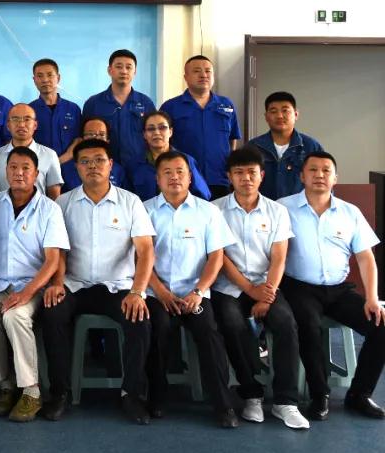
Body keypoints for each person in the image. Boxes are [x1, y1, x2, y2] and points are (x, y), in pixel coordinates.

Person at [39, 138, 155, 424]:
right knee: (52, 312)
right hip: (75, 285)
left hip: (117, 287)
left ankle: (131, 394)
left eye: (99, 160)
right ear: (76, 168)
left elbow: (145, 251)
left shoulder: (130, 202)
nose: (93, 166)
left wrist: (138, 292)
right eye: (85, 162)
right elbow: (58, 250)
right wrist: (57, 283)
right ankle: (60, 393)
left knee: (140, 318)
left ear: (111, 164)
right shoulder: (63, 203)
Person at [279, 151, 385, 420]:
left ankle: (359, 394)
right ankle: (319, 395)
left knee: (381, 326)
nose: (320, 175)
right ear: (302, 176)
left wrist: (372, 298)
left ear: (335, 178)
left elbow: (366, 258)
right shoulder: (283, 208)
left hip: (339, 289)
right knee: (308, 326)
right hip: (299, 287)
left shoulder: (350, 212)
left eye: (326, 170)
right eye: (313, 170)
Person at [210, 147, 309, 429]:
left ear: (262, 175)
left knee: (286, 323)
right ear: (229, 177)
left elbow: (279, 257)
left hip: (267, 285)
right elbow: (220, 257)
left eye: (251, 172)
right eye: (239, 173)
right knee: (231, 324)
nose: (246, 178)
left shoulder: (277, 211)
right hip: (229, 287)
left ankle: (285, 401)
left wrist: (267, 294)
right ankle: (251, 392)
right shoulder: (215, 210)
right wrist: (248, 289)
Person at [142, 151, 240, 428]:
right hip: (157, 293)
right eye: (167, 172)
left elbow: (216, 257)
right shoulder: (144, 210)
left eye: (180, 172)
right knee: (157, 329)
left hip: (195, 292)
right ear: (157, 179)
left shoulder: (207, 211)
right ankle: (156, 396)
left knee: (208, 332)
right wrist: (160, 291)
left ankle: (223, 404)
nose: (174, 177)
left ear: (190, 177)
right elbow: (140, 257)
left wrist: (198, 291)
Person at [0, 146, 69, 422]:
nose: (19, 173)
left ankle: (31, 390)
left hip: (33, 284)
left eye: (25, 168)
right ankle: (5, 385)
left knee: (15, 316)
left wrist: (26, 292)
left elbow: (53, 259)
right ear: (5, 171)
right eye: (13, 168)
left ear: (36, 174)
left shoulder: (50, 209)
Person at [160, 55, 241, 198]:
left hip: (219, 179)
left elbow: (232, 138)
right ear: (186, 77)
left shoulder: (226, 105)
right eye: (197, 71)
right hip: (184, 180)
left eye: (208, 71)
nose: (203, 75)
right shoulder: (171, 107)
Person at [82, 49, 156, 168]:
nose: (124, 71)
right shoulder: (93, 103)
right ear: (109, 70)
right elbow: (84, 139)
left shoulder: (146, 103)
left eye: (129, 67)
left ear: (135, 72)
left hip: (140, 167)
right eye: (119, 67)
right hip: (104, 168)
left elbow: (153, 135)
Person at [249, 92, 323, 200]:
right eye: (273, 111)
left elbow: (324, 182)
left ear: (296, 115)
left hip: (299, 209)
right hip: (263, 209)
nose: (279, 116)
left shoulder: (311, 147)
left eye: (285, 110)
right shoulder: (252, 147)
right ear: (266, 117)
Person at [128, 111, 211, 201]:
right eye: (151, 129)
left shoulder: (186, 161)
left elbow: (203, 196)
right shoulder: (133, 165)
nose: (157, 132)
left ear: (170, 132)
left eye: (162, 127)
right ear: (144, 134)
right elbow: (127, 199)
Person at [0, 103, 62, 198]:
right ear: (8, 125)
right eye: (15, 119)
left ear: (35, 125)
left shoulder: (49, 155)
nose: (21, 124)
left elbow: (54, 196)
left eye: (27, 119)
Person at [29, 58, 82, 171]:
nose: (45, 80)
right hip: (40, 169)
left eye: (50, 75)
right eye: (40, 76)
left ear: (58, 78)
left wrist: (59, 161)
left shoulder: (73, 109)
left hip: (70, 168)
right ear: (34, 80)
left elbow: (78, 140)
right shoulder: (29, 111)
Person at [60, 117, 128, 191]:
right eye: (90, 134)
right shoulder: (65, 169)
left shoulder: (118, 170)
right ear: (81, 139)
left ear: (108, 140)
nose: (96, 138)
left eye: (101, 134)